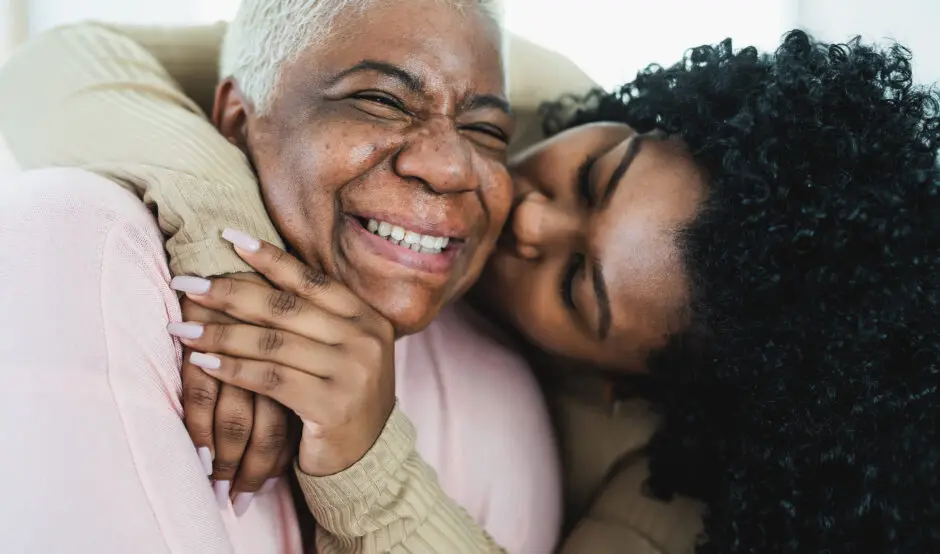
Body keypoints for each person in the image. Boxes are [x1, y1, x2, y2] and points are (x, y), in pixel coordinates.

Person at [6, 14, 936, 554]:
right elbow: (64, 61)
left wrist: (368, 456)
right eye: (594, 174)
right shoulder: (500, 93)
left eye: (578, 285)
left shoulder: (664, 493)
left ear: (619, 382)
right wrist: (221, 235)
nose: (529, 213)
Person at [0, 1, 565, 553]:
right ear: (238, 121)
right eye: (380, 100)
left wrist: (370, 476)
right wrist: (228, 239)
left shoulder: (501, 398)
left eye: (487, 131)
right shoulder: (90, 251)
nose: (450, 167)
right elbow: (51, 63)